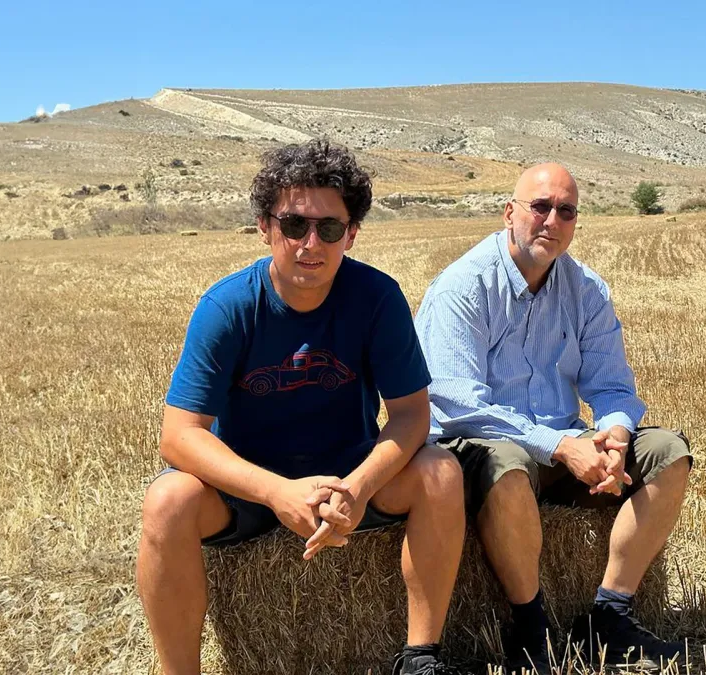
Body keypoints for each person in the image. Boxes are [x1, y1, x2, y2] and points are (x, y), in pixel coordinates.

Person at [136, 139, 465, 675]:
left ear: (351, 234)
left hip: (347, 478)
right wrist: (275, 492)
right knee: (167, 499)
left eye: (329, 228)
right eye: (294, 225)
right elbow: (178, 435)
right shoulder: (227, 307)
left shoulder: (378, 298)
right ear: (265, 227)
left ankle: (420, 658)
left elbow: (411, 415)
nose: (311, 243)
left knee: (441, 471)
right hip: (245, 490)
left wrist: (358, 488)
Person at [414, 163, 693, 673]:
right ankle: (531, 626)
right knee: (508, 465)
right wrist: (560, 446)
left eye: (566, 211)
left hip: (563, 443)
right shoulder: (462, 286)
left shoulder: (586, 289)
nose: (552, 221)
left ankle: (610, 613)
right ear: (509, 213)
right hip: (480, 447)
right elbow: (457, 402)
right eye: (540, 207)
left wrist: (614, 435)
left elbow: (612, 386)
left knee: (668, 453)